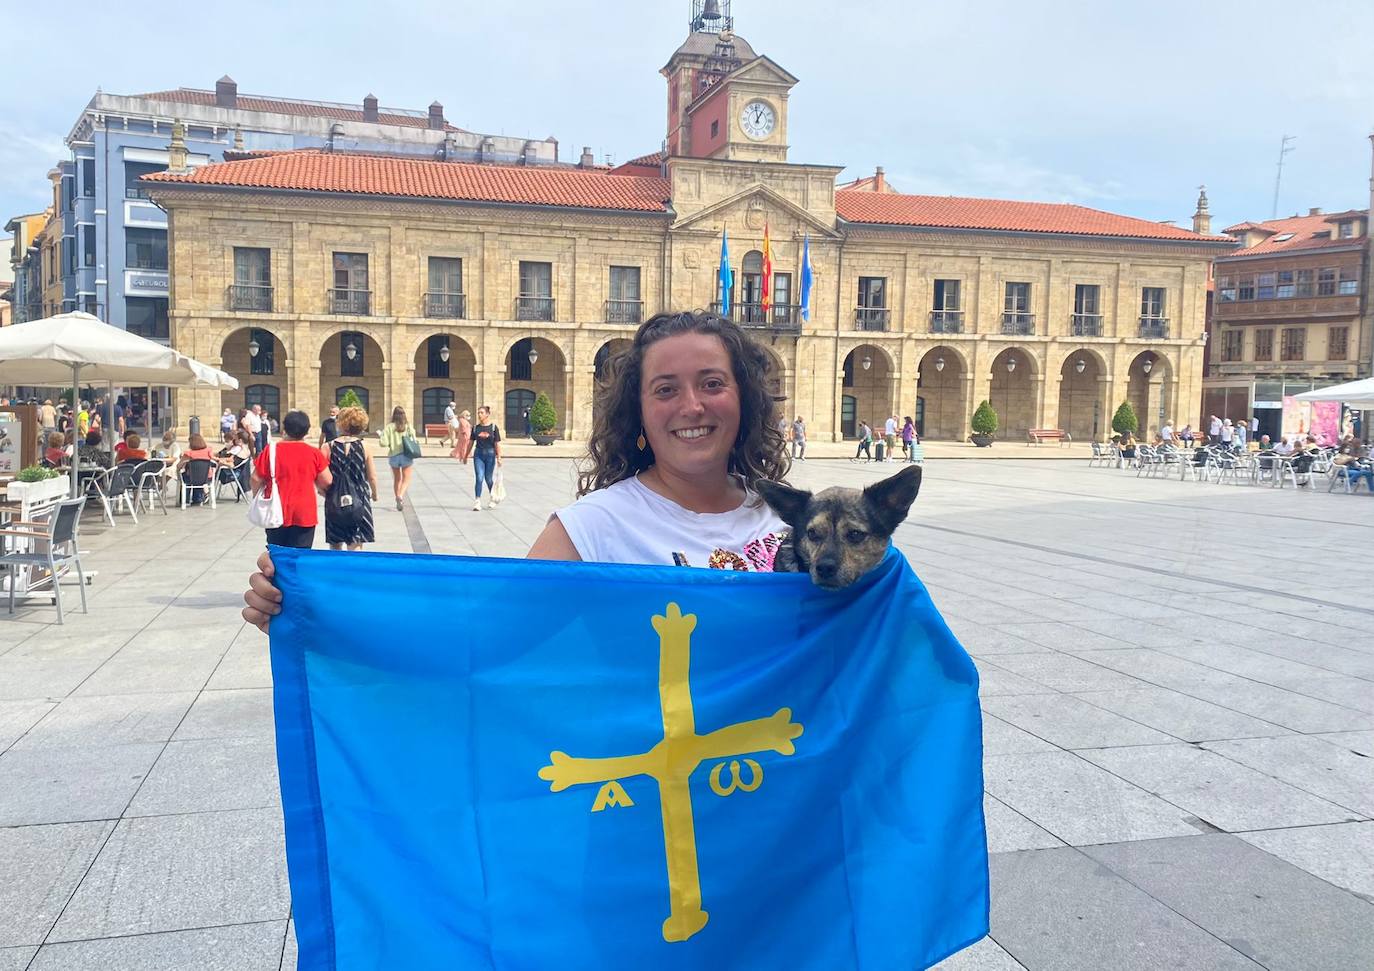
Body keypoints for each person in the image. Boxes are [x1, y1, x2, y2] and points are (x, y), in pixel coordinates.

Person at [243, 309, 792, 630]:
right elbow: (484, 636)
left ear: (744, 400)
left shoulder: (796, 521)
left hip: (782, 806)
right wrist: (316, 608)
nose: (692, 406)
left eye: (713, 383)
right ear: (639, 415)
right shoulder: (593, 529)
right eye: (665, 390)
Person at [248, 410, 331, 547]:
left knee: (277, 556)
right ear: (307, 431)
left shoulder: (271, 451)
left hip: (276, 509)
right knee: (300, 556)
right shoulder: (314, 453)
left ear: (284, 428)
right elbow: (327, 480)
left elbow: (255, 478)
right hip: (304, 511)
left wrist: (258, 496)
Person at [325, 406, 379, 551]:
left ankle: (337, 571)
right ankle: (353, 571)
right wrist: (374, 494)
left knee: (335, 542)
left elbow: (321, 476)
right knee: (356, 541)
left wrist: (324, 492)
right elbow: (372, 476)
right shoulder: (365, 446)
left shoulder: (328, 447)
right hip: (359, 497)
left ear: (341, 423)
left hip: (334, 498)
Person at [463, 405, 503, 511]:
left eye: (481, 412)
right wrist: (466, 455)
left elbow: (497, 443)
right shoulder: (476, 428)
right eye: (478, 413)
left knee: (488, 478)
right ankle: (477, 501)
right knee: (479, 477)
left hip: (490, 454)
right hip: (478, 455)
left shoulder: (493, 428)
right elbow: (470, 443)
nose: (479, 415)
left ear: (487, 414)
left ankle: (493, 497)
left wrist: (499, 457)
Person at [378, 406, 417, 511]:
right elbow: (414, 439)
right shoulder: (408, 426)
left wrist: (383, 437)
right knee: (406, 479)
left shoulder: (389, 427)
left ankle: (397, 497)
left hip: (393, 456)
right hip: (406, 455)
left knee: (397, 479)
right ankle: (400, 495)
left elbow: (383, 443)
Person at [178, 432, 219, 504]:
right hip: (206, 477)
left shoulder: (188, 454)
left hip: (191, 477)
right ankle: (198, 498)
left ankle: (185, 499)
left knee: (185, 477)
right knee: (199, 477)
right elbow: (214, 460)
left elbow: (179, 466)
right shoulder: (208, 451)